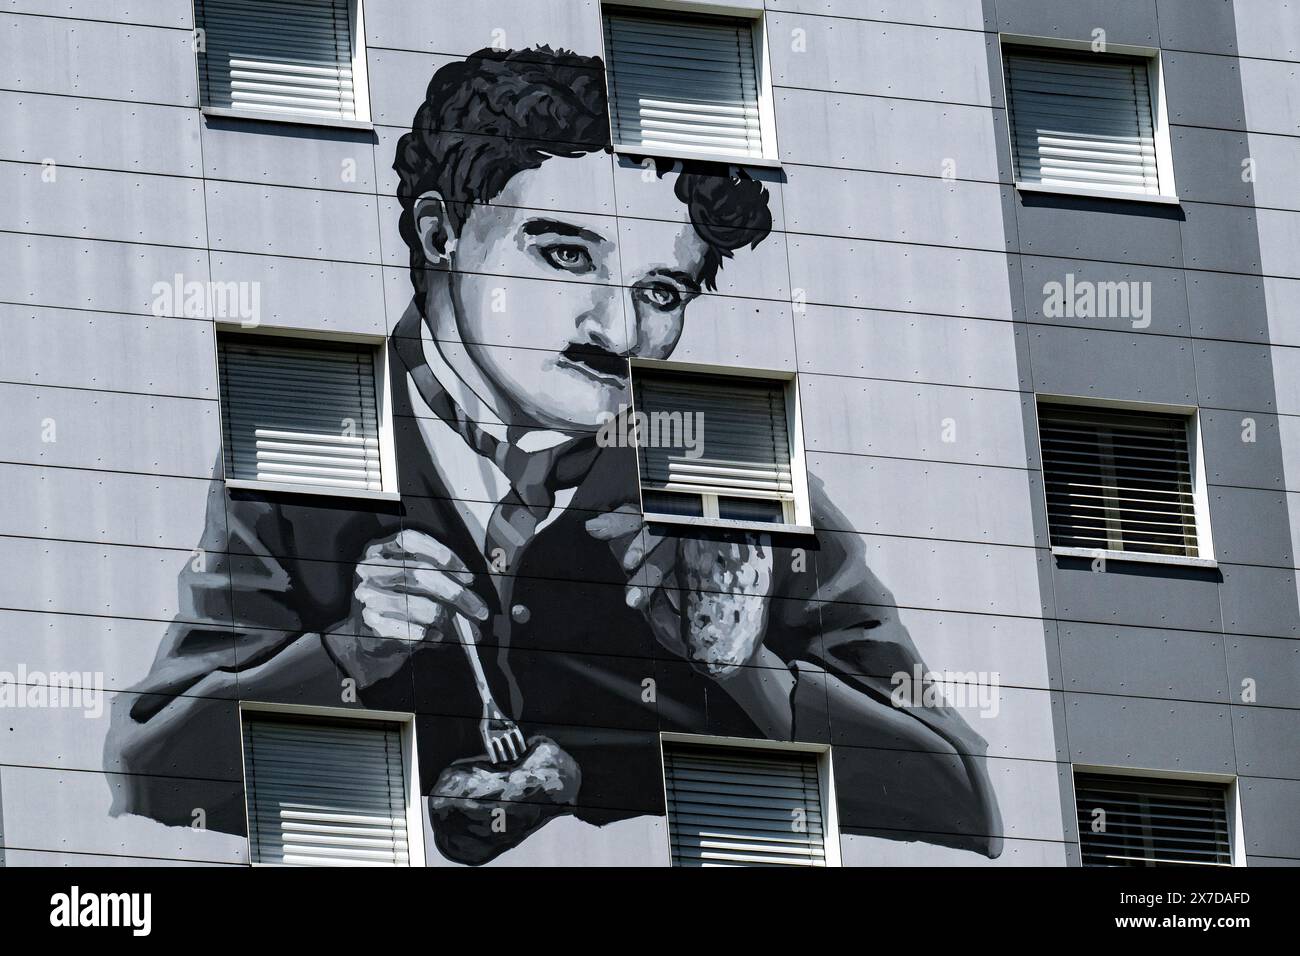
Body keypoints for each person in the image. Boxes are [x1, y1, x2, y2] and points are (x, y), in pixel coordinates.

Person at [107, 46, 1003, 865]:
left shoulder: (728, 472)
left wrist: (750, 669)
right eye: (568, 255)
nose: (619, 332)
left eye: (660, 291)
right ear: (439, 234)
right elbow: (146, 783)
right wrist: (344, 655)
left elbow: (961, 804)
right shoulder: (311, 437)